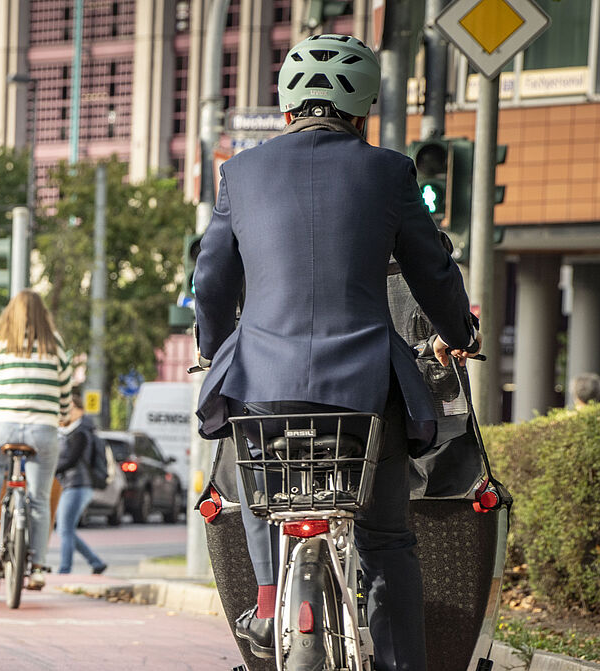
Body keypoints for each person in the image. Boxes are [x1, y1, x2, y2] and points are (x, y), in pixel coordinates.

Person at [193, 34, 480, 669]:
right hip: (365, 389)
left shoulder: (240, 171)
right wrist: (459, 335)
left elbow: (211, 282)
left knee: (254, 480)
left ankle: (268, 600)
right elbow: (432, 271)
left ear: (287, 104)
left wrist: (215, 352)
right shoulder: (389, 171)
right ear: (364, 107)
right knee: (386, 542)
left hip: (264, 383)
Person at [0, 290, 75, 590]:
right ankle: (36, 568)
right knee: (38, 499)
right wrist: (61, 413)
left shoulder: (1, 342)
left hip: (3, 425)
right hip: (43, 430)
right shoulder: (55, 345)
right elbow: (66, 390)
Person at [53, 405, 107, 575]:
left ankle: (64, 569)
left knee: (65, 529)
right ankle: (95, 562)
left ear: (79, 411)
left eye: (70, 409)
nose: (66, 413)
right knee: (66, 529)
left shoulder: (81, 433)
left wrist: (50, 471)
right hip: (71, 484)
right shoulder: (69, 432)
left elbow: (71, 460)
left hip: (78, 484)